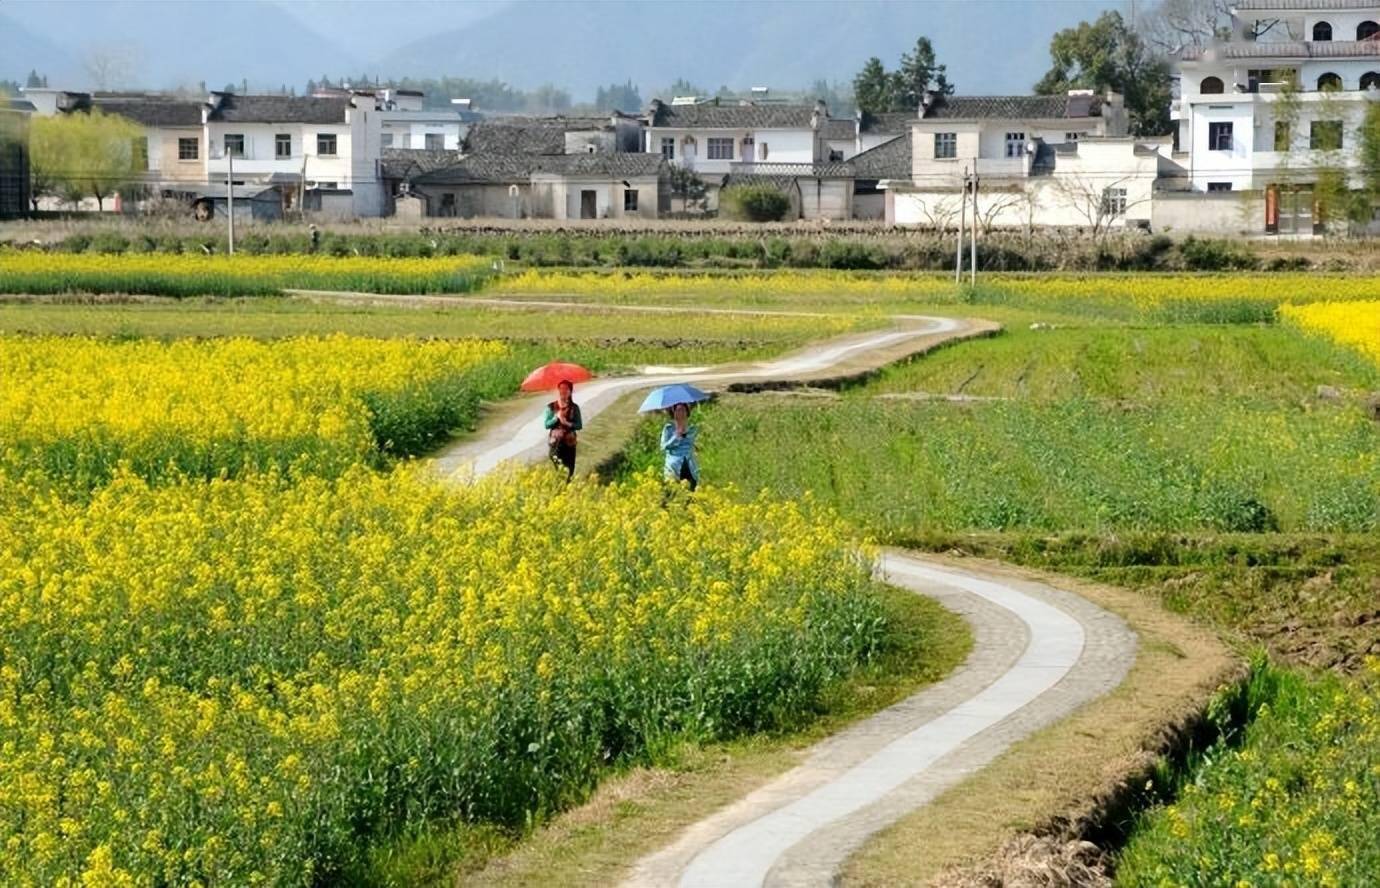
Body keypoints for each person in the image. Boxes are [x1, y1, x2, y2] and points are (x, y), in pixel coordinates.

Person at [543, 380, 583, 480]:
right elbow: (546, 425)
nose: (563, 391)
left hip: (569, 442)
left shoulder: (574, 408)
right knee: (558, 465)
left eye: (566, 389)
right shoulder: (551, 407)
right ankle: (561, 484)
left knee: (569, 469)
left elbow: (579, 425)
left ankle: (566, 488)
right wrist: (556, 418)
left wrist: (567, 423)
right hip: (555, 443)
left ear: (570, 392)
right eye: (561, 388)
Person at [661, 402, 699, 491]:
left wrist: (696, 446)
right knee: (671, 493)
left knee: (692, 492)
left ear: (687, 412)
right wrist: (676, 436)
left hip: (689, 464)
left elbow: (693, 443)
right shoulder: (668, 429)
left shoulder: (693, 429)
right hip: (674, 465)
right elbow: (663, 447)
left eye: (683, 410)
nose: (681, 413)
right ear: (673, 413)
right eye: (678, 410)